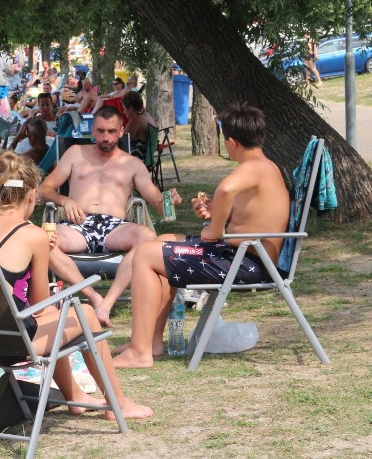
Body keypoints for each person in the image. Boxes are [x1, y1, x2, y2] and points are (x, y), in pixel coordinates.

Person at [114, 103, 288, 368]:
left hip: (246, 263)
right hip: (244, 255)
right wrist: (215, 213)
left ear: (230, 142)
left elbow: (226, 189)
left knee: (146, 255)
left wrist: (214, 230)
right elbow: (249, 213)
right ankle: (151, 342)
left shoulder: (252, 168)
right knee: (160, 242)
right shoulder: (265, 166)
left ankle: (140, 352)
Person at [0, 151, 152, 419]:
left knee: (60, 316)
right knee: (82, 312)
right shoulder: (33, 235)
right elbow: (38, 305)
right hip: (10, 344)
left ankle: (75, 396)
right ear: (31, 196)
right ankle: (118, 402)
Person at [39, 106, 181, 326]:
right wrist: (64, 200)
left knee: (147, 236)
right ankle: (94, 296)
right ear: (93, 130)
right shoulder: (75, 153)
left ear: (121, 131)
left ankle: (107, 303)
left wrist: (169, 200)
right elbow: (45, 188)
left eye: (111, 131)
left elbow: (159, 204)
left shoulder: (132, 164)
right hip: (78, 224)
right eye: (101, 131)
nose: (106, 137)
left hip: (114, 227)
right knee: (41, 241)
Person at [121, 92, 158, 160]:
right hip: (146, 159)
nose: (124, 112)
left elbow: (123, 141)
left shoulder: (136, 120)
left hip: (136, 160)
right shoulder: (147, 116)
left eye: (124, 109)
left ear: (131, 108)